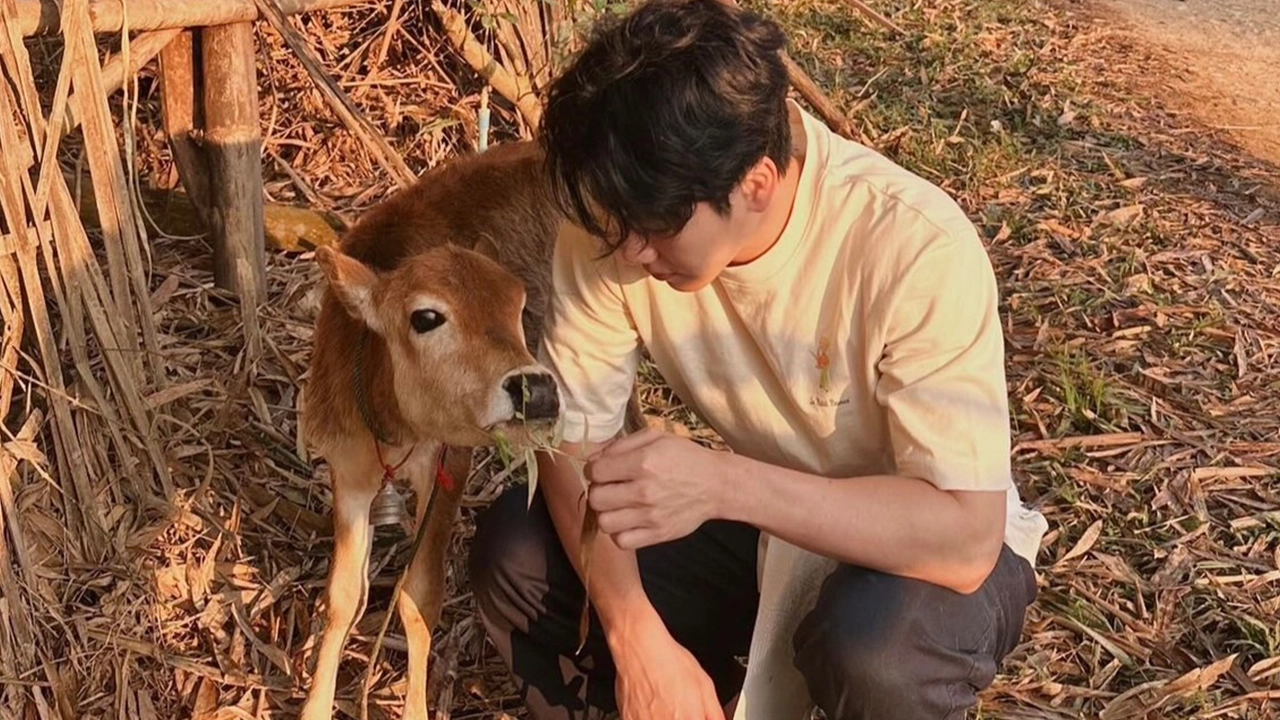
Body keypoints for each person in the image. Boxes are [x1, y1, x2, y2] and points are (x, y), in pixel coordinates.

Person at [467, 1, 1050, 718]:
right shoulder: (619, 224)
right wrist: (638, 641)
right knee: (519, 550)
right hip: (769, 528)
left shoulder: (913, 248)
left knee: (875, 648)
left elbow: (962, 538)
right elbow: (570, 444)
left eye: (655, 230)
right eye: (617, 223)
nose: (629, 255)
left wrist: (724, 485)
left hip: (912, 550)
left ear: (757, 182)